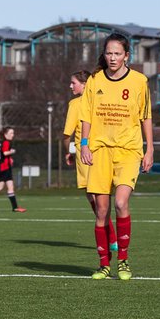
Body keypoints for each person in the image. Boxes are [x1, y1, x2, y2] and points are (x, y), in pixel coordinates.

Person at [79, 33, 153, 280]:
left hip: (129, 150)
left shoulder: (140, 81)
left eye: (117, 54)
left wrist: (149, 149)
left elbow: (146, 116)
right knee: (101, 211)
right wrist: (85, 145)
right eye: (109, 53)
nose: (112, 58)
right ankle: (103, 265)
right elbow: (86, 115)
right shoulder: (94, 80)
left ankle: (123, 260)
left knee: (121, 202)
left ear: (126, 56)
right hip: (100, 151)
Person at [63, 70, 99, 216]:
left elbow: (67, 134)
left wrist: (68, 152)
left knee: (91, 191)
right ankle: (109, 232)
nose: (70, 86)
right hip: (102, 149)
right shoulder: (99, 100)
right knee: (102, 191)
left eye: (73, 83)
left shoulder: (76, 104)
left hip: (84, 151)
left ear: (84, 84)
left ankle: (108, 232)